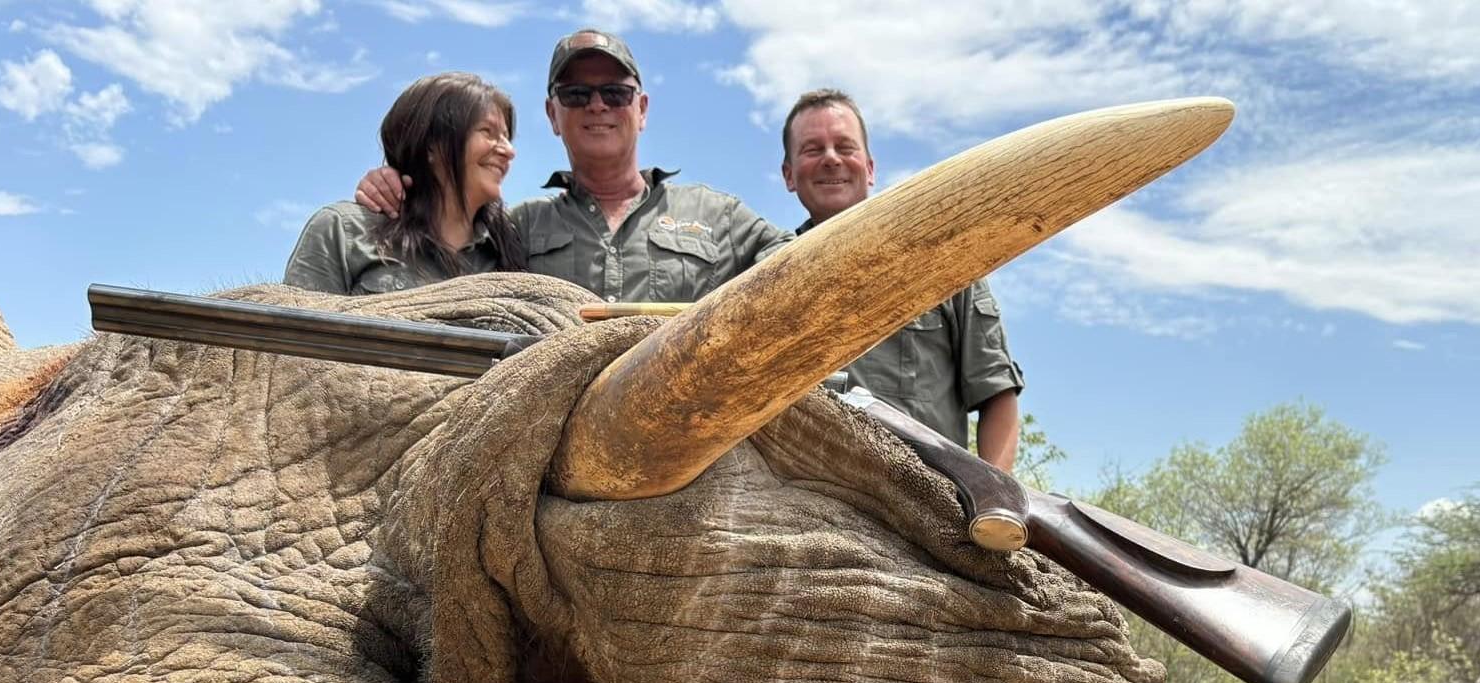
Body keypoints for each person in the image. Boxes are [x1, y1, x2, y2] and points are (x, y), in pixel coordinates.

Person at [355, 30, 789, 303]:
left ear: (641, 108)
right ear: (552, 114)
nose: (597, 105)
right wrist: (399, 181)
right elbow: (439, 237)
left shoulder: (720, 217)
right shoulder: (514, 230)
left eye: (615, 93)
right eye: (576, 94)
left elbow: (807, 264)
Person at [781, 88, 1024, 470]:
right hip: (802, 499)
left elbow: (997, 393)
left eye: (845, 147)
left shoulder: (943, 259)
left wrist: (992, 499)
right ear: (788, 175)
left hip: (927, 500)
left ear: (870, 168)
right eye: (812, 149)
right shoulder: (768, 277)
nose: (831, 158)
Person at [286, 73, 524, 294]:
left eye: (506, 137)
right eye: (488, 132)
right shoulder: (343, 231)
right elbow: (295, 325)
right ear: (431, 144)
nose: (509, 151)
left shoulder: (514, 247)